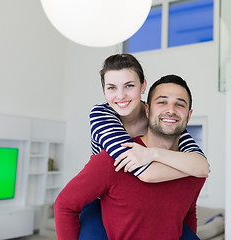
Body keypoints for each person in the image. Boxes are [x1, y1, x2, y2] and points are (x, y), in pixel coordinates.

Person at [54, 74, 207, 240]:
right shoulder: (116, 157)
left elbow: (188, 213)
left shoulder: (193, 166)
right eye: (162, 102)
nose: (171, 110)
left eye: (179, 104)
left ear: (189, 115)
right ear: (147, 110)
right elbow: (65, 205)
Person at [90, 53, 210, 181]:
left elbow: (202, 166)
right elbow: (147, 173)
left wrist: (153, 153)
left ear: (143, 86)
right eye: (111, 88)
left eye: (129, 86)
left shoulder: (157, 115)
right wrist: (190, 170)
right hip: (100, 195)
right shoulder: (101, 114)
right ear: (104, 91)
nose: (120, 96)